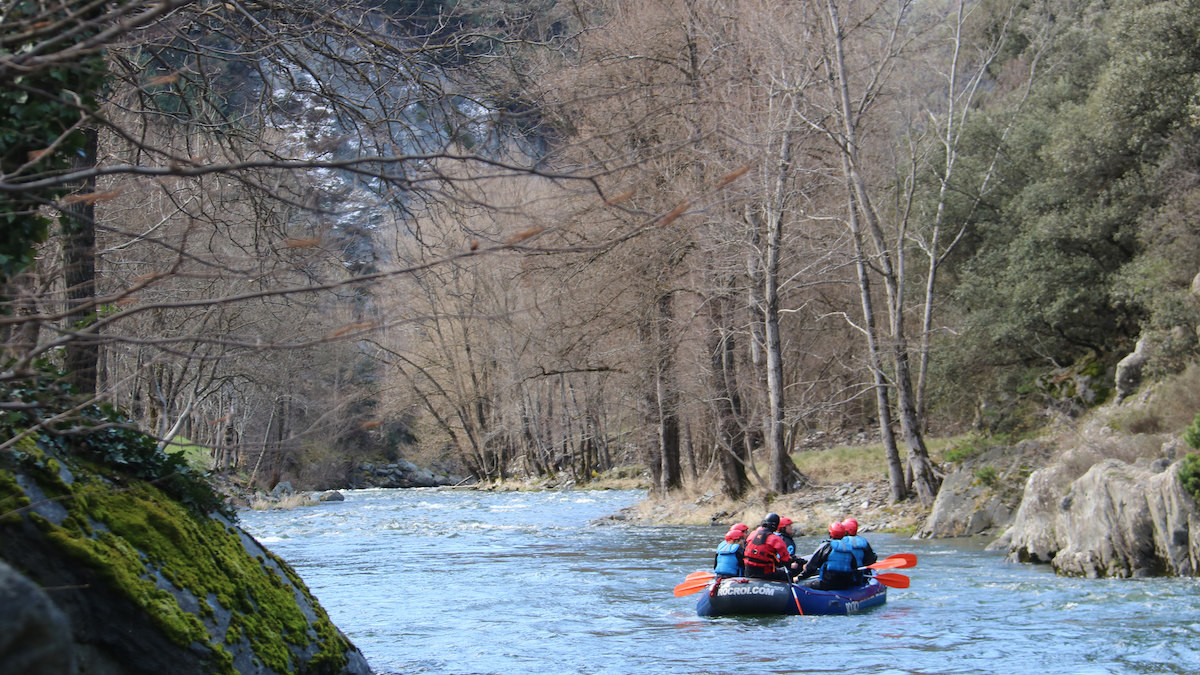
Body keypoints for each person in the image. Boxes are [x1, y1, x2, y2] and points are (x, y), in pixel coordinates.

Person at [796, 521, 857, 590]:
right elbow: (854, 567)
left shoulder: (826, 546)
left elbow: (812, 566)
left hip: (827, 584)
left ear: (830, 533)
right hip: (845, 584)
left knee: (804, 586)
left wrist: (799, 577)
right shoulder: (848, 548)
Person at [742, 513, 791, 582]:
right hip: (765, 573)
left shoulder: (752, 534)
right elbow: (785, 560)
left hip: (748, 571)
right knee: (789, 573)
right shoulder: (776, 539)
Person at [840, 517, 877, 585]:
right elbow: (872, 559)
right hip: (860, 577)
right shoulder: (863, 541)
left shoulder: (839, 542)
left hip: (841, 578)